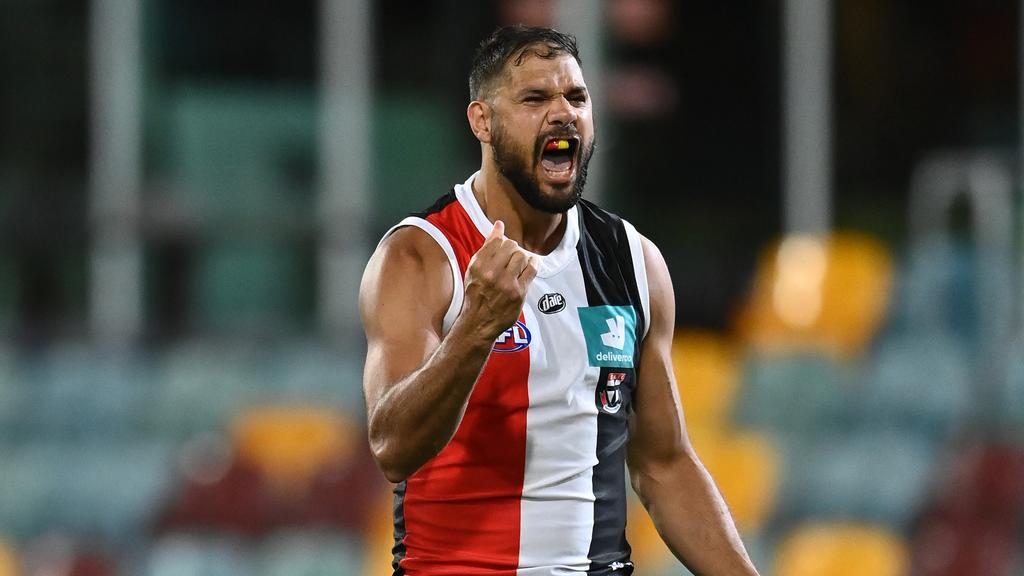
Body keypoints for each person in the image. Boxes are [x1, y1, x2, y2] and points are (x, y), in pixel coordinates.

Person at [359, 24, 760, 576]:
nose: (562, 113)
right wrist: (477, 328)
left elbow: (664, 465)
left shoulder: (632, 262)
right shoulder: (421, 257)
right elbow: (392, 447)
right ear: (483, 121)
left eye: (576, 96)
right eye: (535, 98)